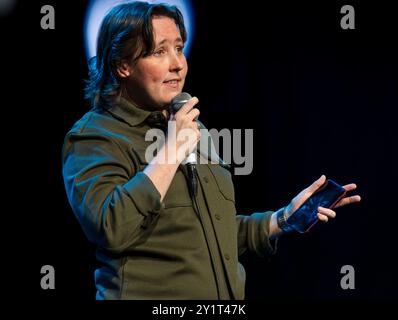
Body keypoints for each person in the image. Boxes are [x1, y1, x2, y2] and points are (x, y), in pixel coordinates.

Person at [62, 1, 361, 300]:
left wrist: (284, 218)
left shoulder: (191, 127)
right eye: (159, 51)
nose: (177, 63)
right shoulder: (94, 136)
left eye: (179, 48)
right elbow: (111, 227)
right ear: (122, 65)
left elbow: (213, 232)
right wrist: (171, 151)